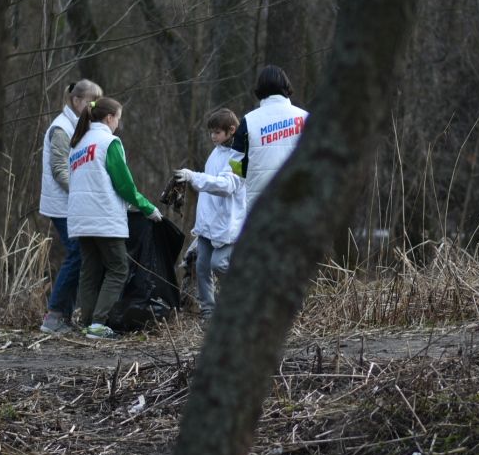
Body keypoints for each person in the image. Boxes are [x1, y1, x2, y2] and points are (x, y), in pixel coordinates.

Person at [67, 96, 161, 339]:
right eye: (118, 117)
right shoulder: (110, 143)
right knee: (118, 268)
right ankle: (98, 324)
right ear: (109, 118)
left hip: (80, 218)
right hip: (104, 218)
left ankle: (87, 323)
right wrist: (147, 207)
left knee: (89, 271)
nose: (119, 123)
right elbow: (124, 184)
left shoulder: (78, 145)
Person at [37, 79, 102, 333]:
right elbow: (59, 170)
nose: (93, 107)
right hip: (63, 205)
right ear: (76, 101)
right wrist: (79, 193)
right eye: (90, 102)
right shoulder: (61, 128)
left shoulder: (78, 125)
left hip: (73, 203)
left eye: (96, 103)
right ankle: (54, 317)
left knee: (81, 255)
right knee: (77, 254)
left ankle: (63, 316)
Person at [174, 108, 246, 320]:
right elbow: (210, 183)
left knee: (219, 264)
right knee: (202, 266)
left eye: (217, 132)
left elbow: (227, 185)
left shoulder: (241, 155)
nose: (212, 136)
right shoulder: (216, 151)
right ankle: (209, 311)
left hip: (228, 222)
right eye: (211, 132)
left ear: (231, 130)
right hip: (208, 222)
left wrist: (193, 177)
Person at [231, 64, 308, 205]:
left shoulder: (249, 121)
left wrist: (252, 171)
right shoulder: (305, 118)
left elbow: (234, 163)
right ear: (286, 85)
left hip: (259, 205)